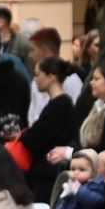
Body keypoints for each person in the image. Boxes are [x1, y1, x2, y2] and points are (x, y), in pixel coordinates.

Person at [17, 57, 78, 201]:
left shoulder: (60, 105)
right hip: (47, 171)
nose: (35, 79)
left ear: (51, 77)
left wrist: (23, 136)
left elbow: (36, 137)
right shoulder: (58, 104)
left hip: (48, 173)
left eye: (38, 75)